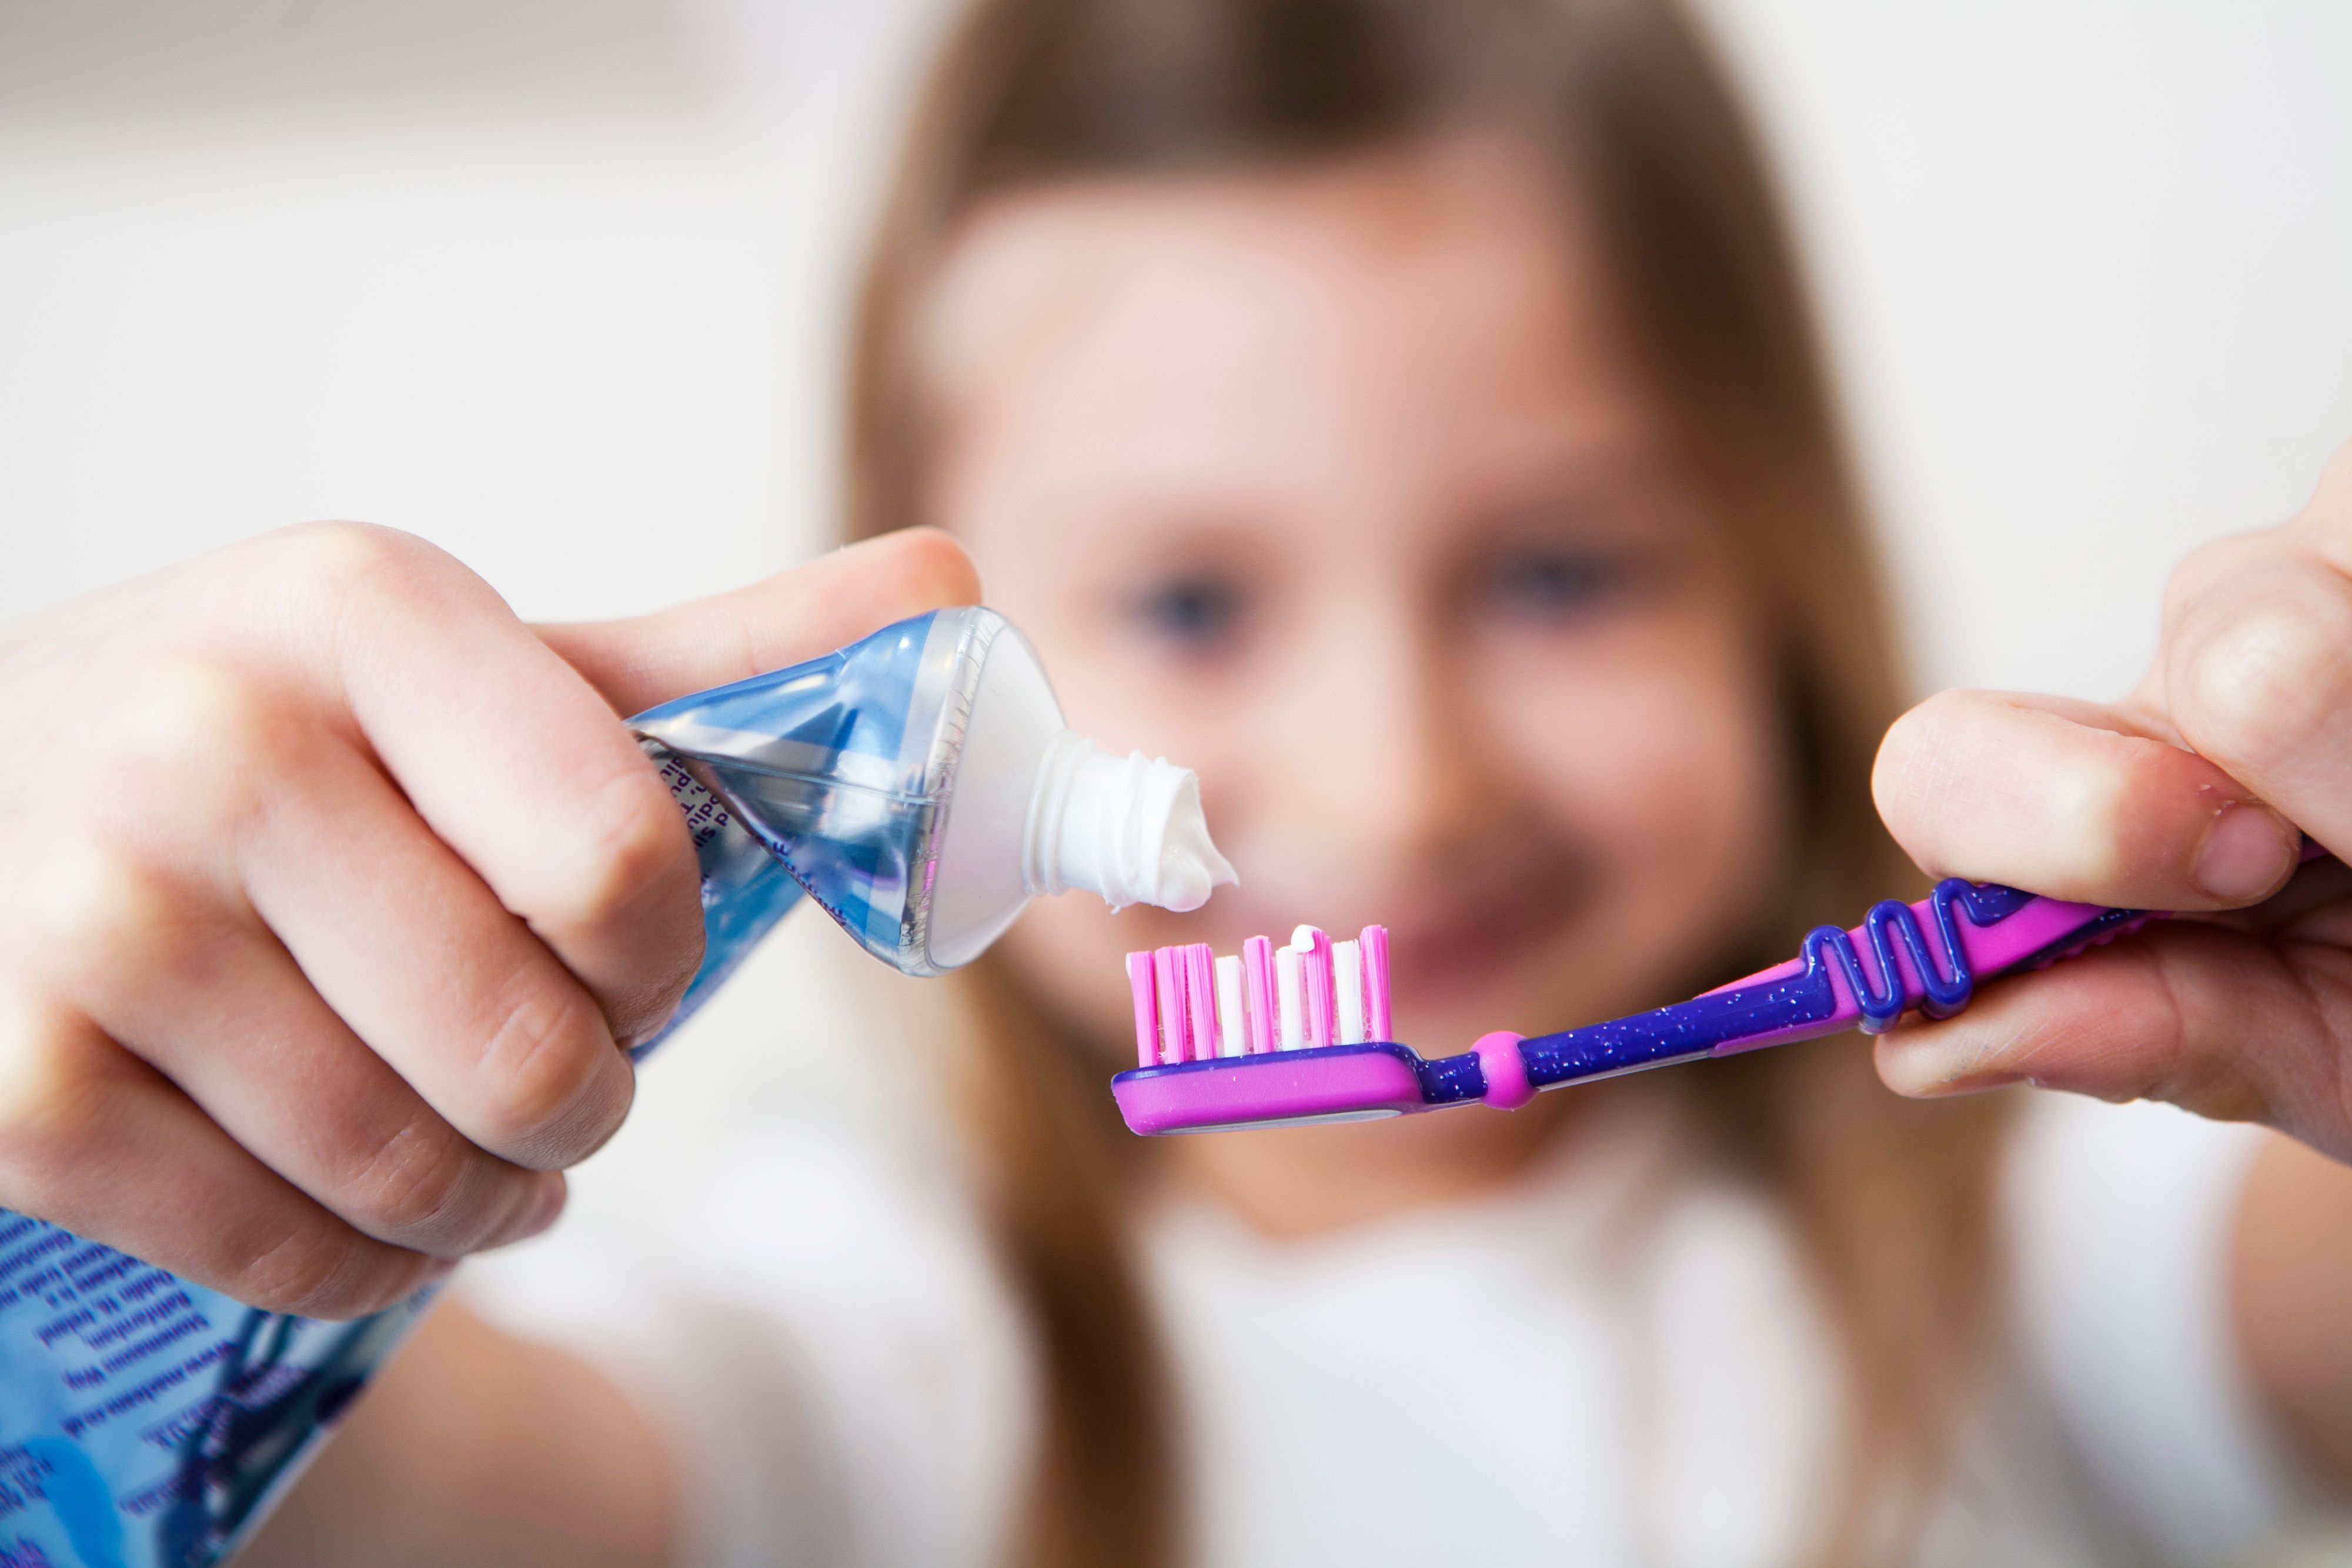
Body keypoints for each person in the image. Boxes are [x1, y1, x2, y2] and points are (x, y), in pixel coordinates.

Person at [1, 0, 2346, 1563]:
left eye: (1557, 572)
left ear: (1776, 570)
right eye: (1198, 606)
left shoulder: (2031, 1228)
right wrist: (128, 1161)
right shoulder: (861, 1346)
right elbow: (417, 1508)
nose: (1397, 780)